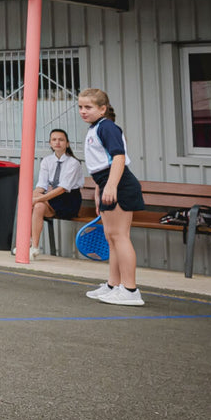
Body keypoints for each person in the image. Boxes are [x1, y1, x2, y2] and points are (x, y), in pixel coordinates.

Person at [79, 88, 145, 306]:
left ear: (102, 109)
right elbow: (101, 165)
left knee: (120, 236)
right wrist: (100, 190)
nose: (83, 111)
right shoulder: (96, 128)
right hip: (107, 183)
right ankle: (113, 285)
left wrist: (111, 186)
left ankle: (130, 289)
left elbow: (118, 158)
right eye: (80, 107)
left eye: (88, 107)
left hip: (120, 185)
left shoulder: (107, 127)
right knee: (112, 238)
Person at [28, 128, 84, 258]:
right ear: (50, 143)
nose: (57, 142)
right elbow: (41, 186)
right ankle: (34, 247)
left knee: (37, 202)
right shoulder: (47, 161)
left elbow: (63, 188)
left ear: (67, 143)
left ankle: (27, 240)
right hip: (52, 198)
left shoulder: (73, 163)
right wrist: (32, 197)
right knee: (37, 206)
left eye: (61, 140)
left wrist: (37, 199)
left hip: (69, 200)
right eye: (54, 140)